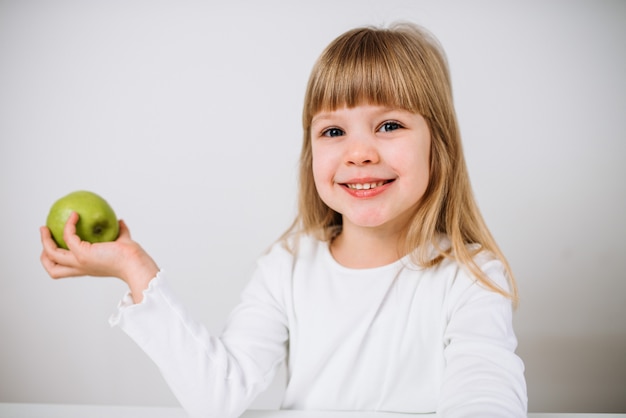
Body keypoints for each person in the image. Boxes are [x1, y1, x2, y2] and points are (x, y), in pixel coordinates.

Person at [40, 22, 528, 418]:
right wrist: (134, 267)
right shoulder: (287, 267)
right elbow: (218, 397)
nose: (359, 152)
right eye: (334, 130)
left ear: (437, 148)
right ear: (310, 151)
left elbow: (486, 397)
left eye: (389, 125)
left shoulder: (471, 276)